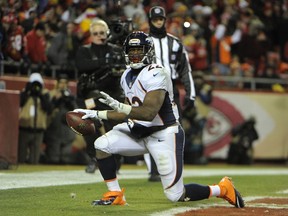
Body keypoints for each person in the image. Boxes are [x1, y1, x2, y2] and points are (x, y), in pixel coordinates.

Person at [73, 31, 244, 208]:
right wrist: (98, 114)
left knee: (176, 195)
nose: (134, 55)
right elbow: (127, 112)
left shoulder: (157, 73)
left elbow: (149, 112)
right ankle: (115, 194)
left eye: (138, 50)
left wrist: (120, 107)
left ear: (148, 51)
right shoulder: (126, 76)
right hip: (139, 132)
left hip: (163, 134)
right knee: (101, 145)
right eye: (131, 51)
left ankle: (222, 189)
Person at [145, 6, 196, 181]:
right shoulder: (143, 42)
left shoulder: (175, 43)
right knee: (151, 128)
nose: (158, 22)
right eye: (155, 20)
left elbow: (185, 70)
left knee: (175, 128)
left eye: (161, 19)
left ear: (165, 20)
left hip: (171, 88)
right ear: (150, 21)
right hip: (150, 87)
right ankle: (154, 171)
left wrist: (191, 93)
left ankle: (174, 168)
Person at [75, 19, 125, 173]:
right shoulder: (84, 50)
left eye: (102, 33)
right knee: (89, 126)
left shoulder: (116, 50)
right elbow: (82, 65)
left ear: (107, 33)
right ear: (91, 35)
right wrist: (107, 62)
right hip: (91, 96)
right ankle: (93, 158)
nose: (99, 36)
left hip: (112, 96)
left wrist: (107, 63)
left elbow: (122, 67)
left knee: (114, 128)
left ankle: (116, 160)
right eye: (95, 33)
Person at [18, 73, 52, 164]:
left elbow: (48, 108)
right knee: (21, 157)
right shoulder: (25, 93)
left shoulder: (45, 95)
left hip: (38, 131)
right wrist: (27, 91)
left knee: (34, 159)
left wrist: (40, 94)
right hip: (24, 129)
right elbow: (20, 103)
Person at [43, 74, 78, 164]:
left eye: (65, 83)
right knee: (53, 159)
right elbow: (47, 109)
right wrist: (55, 100)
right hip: (54, 130)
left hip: (67, 130)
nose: (62, 85)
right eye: (61, 82)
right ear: (57, 83)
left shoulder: (70, 96)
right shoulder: (51, 94)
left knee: (65, 159)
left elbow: (75, 110)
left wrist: (68, 100)